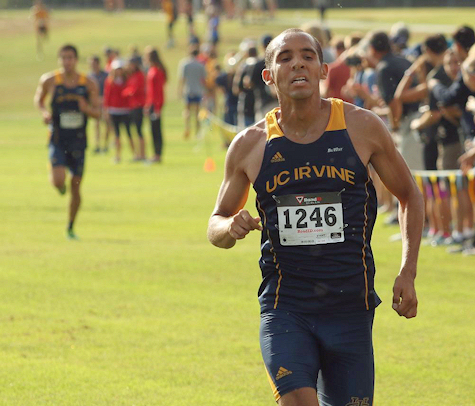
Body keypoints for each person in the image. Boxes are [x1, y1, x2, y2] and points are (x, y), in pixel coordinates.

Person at [207, 28, 424, 405]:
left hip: (350, 306)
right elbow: (215, 224)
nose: (298, 64)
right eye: (285, 57)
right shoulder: (249, 145)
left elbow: (409, 196)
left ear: (323, 70)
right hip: (285, 306)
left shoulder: (362, 127)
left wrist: (407, 271)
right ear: (268, 75)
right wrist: (230, 226)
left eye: (307, 56)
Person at [34, 44, 100, 240]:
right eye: (63, 58)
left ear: (76, 60)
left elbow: (98, 113)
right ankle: (59, 184)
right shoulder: (50, 81)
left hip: (78, 141)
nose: (66, 61)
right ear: (59, 60)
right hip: (58, 139)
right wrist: (45, 113)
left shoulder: (88, 84)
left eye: (70, 58)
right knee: (59, 181)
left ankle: (70, 226)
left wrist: (86, 109)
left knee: (76, 186)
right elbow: (38, 100)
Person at [104, 59, 135, 163]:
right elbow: (107, 96)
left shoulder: (127, 80)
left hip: (125, 110)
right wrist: (107, 109)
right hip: (114, 110)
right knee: (116, 135)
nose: (118, 71)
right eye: (117, 69)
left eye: (120, 69)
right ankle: (118, 155)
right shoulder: (110, 81)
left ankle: (135, 154)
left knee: (129, 133)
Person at [178, 43, 206, 140]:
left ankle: (187, 128)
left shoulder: (184, 64)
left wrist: (180, 91)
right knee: (198, 112)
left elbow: (182, 79)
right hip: (198, 90)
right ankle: (197, 131)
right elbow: (204, 79)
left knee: (187, 111)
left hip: (188, 90)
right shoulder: (200, 65)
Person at [145, 46, 167, 163]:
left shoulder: (157, 71)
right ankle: (155, 154)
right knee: (153, 130)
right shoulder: (152, 70)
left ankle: (157, 154)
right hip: (152, 104)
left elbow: (158, 92)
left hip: (156, 105)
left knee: (156, 130)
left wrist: (157, 108)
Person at [123, 56, 147, 160]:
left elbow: (135, 90)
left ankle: (142, 154)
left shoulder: (139, 75)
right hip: (131, 106)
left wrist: (126, 93)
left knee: (139, 130)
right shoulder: (130, 76)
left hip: (138, 105)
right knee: (132, 131)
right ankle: (137, 154)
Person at [88, 55, 109, 154]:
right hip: (95, 104)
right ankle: (97, 145)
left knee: (107, 124)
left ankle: (106, 145)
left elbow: (108, 89)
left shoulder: (105, 75)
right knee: (96, 125)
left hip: (105, 103)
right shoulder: (90, 76)